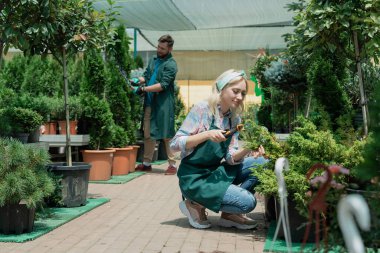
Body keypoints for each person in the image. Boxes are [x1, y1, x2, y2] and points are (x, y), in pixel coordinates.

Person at [170, 69, 268, 229]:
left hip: (214, 173)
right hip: (194, 179)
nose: (239, 97)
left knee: (262, 162)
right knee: (248, 202)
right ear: (222, 88)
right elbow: (174, 144)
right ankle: (194, 203)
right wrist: (207, 134)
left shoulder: (234, 118)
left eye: (243, 93)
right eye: (235, 91)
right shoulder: (202, 110)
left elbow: (230, 157)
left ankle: (229, 214)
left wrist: (248, 148)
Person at [131, 34, 178, 175]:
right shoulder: (153, 60)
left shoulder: (171, 65)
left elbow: (163, 85)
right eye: (158, 46)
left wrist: (143, 89)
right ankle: (146, 163)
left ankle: (172, 165)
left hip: (163, 105)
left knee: (166, 134)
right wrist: (137, 81)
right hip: (150, 102)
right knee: (147, 133)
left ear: (169, 49)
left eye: (162, 48)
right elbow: (146, 76)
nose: (159, 50)